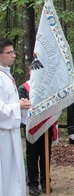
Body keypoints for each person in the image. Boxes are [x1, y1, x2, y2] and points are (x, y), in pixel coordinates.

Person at [18, 65, 56, 196]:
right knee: (32, 156)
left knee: (46, 154)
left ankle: (46, 181)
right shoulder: (23, 88)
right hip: (31, 126)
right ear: (29, 72)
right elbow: (22, 105)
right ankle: (33, 184)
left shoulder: (47, 88)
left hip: (46, 125)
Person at [0, 37, 31, 196]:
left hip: (9, 131)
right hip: (2, 134)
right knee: (5, 171)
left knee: (13, 170)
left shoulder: (6, 74)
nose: (13, 56)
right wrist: (17, 106)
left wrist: (19, 103)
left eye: (14, 52)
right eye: (9, 52)